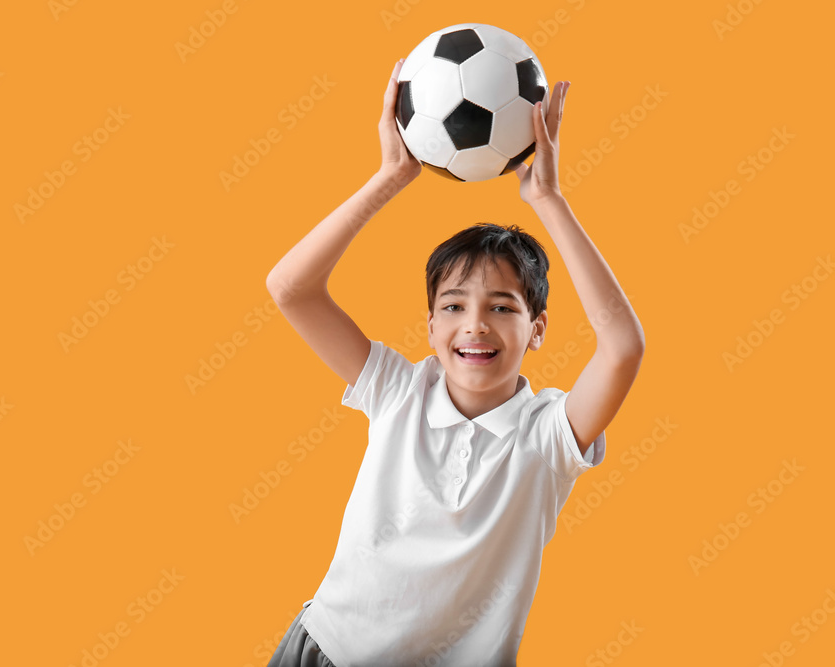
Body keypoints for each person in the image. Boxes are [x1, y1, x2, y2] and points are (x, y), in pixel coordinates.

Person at [263, 58, 645, 667]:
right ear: (432, 327)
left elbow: (623, 346)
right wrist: (389, 177)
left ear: (537, 329)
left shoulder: (547, 434)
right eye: (454, 306)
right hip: (329, 650)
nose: (475, 325)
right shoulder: (396, 389)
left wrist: (547, 197)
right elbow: (290, 288)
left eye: (502, 307)